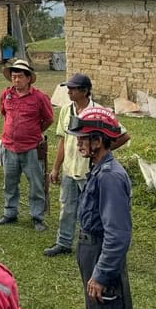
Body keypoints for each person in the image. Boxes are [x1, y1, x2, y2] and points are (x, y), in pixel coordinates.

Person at [67, 107, 135, 309]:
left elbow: (117, 234)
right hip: (89, 249)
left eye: (84, 137)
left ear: (99, 140)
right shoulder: (98, 169)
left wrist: (102, 273)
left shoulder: (110, 176)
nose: (78, 142)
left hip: (100, 252)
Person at [45, 74, 130, 257]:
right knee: (67, 207)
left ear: (84, 91)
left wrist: (100, 150)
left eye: (73, 88)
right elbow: (63, 140)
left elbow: (124, 135)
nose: (69, 92)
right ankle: (64, 242)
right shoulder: (66, 110)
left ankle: (95, 245)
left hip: (90, 172)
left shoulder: (99, 113)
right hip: (70, 169)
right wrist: (56, 167)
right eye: (68, 88)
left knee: (93, 211)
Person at [0, 59, 54, 232]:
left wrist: (34, 132)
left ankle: (37, 217)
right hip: (9, 147)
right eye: (13, 77)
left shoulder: (39, 97)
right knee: (9, 183)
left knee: (36, 184)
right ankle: (10, 213)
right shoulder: (6, 95)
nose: (16, 80)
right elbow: (4, 113)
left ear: (29, 78)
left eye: (20, 77)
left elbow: (49, 119)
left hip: (31, 149)